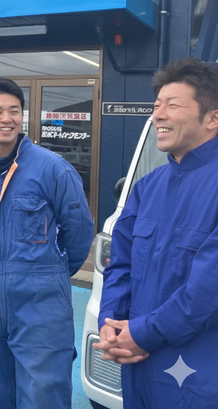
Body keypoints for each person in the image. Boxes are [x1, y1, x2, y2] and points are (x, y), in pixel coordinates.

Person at [0, 77, 94, 409]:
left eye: (14, 110)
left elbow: (79, 232)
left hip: (40, 299)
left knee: (43, 393)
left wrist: (49, 273)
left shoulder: (54, 169)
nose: (7, 119)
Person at [96, 58, 218, 408]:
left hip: (198, 374)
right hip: (137, 362)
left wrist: (141, 334)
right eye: (156, 106)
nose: (157, 116)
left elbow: (206, 292)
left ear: (212, 118)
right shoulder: (146, 187)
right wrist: (110, 324)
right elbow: (120, 264)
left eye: (172, 105)